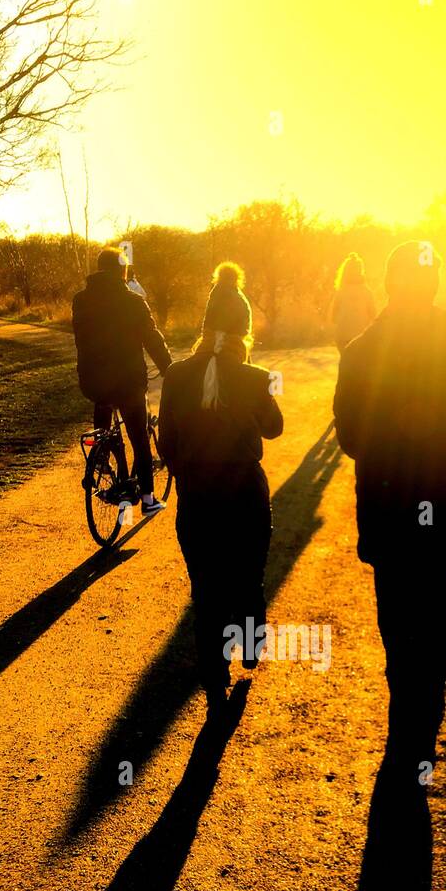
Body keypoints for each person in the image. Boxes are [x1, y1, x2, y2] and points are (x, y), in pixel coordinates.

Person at [333, 241, 446, 773]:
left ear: (388, 284)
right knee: (436, 630)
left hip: (388, 513)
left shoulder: (360, 352)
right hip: (442, 513)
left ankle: (405, 722)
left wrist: (393, 443)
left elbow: (352, 439)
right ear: (433, 286)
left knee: (398, 625)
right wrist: (440, 438)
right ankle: (420, 729)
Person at [158, 294, 283, 718]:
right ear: (244, 332)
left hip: (198, 500)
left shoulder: (176, 376)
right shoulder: (256, 376)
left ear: (204, 327)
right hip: (246, 495)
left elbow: (166, 444)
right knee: (248, 578)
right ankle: (249, 644)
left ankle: (213, 674)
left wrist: (188, 468)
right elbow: (275, 428)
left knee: (206, 589)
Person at [72, 247, 173, 515]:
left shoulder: (80, 300)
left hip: (91, 380)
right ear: (123, 271)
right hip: (127, 382)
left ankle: (102, 457)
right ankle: (149, 500)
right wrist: (168, 369)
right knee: (139, 437)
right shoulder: (134, 302)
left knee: (103, 400)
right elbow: (153, 340)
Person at [330, 253, 377, 353]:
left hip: (342, 336)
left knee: (345, 365)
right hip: (360, 338)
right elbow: (374, 317)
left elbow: (333, 318)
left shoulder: (341, 291)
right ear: (361, 272)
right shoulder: (366, 292)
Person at [200, 261, 252, 339]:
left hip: (222, 334)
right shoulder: (239, 296)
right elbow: (246, 319)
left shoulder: (218, 291)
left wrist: (205, 334)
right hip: (237, 334)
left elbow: (209, 313)